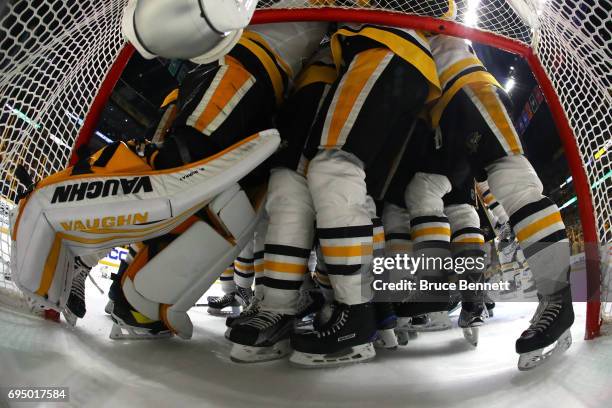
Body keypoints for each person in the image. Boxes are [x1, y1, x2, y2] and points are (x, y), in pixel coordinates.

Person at [407, 34, 573, 369]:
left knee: (509, 175)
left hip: (466, 86)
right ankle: (438, 282)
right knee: (421, 189)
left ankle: (557, 298)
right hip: (439, 116)